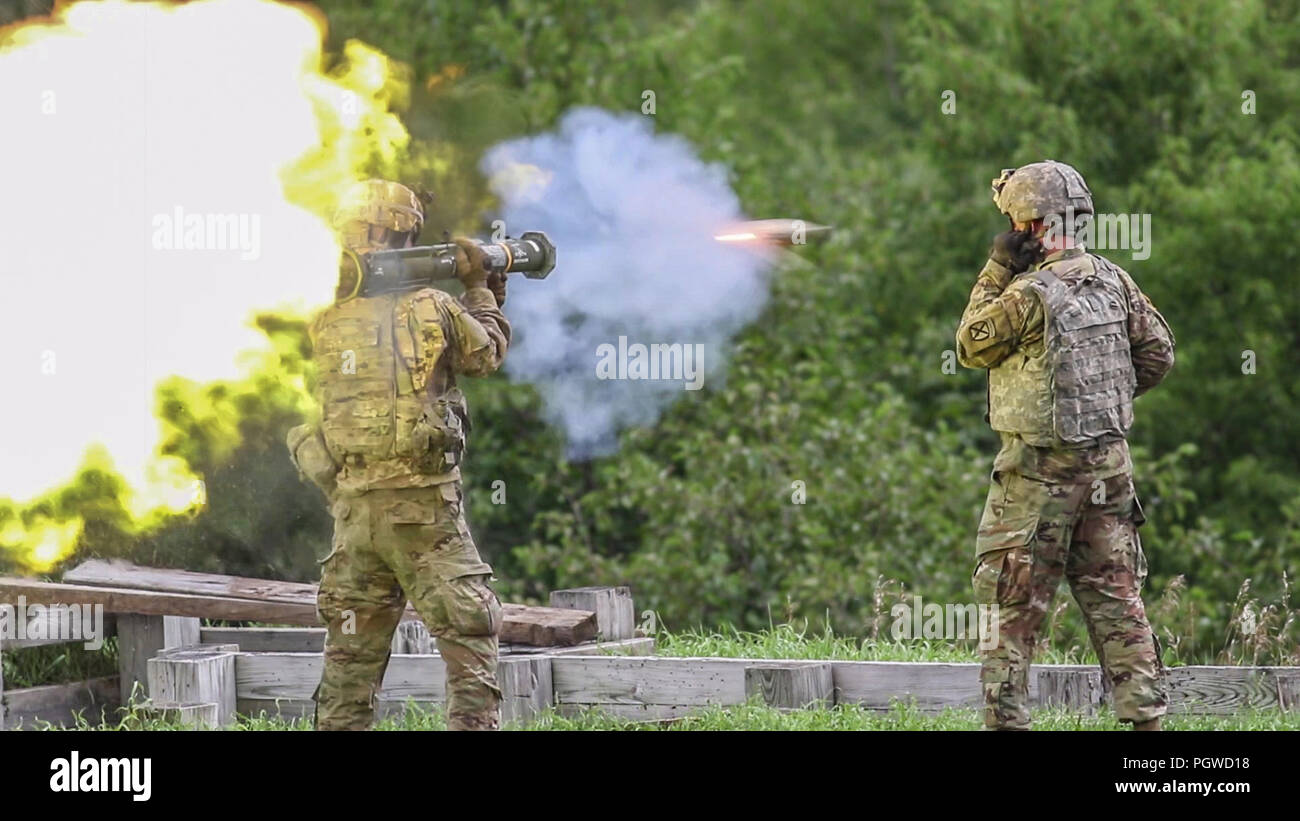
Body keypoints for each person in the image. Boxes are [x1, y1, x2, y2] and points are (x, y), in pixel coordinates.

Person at [955, 160, 1175, 730]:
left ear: (1026, 226)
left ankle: (1007, 723)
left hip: (1036, 478)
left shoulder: (1027, 293)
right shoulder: (1113, 279)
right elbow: (1158, 354)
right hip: (1108, 470)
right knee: (1117, 603)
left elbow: (971, 343)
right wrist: (1103, 403)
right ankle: (1149, 731)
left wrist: (997, 265)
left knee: (1012, 609)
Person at [286, 179, 511, 730]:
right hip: (423, 511)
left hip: (354, 512)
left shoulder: (319, 318)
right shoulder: (432, 306)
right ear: (398, 231)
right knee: (469, 631)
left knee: (349, 659)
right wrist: (482, 286)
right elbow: (487, 355)